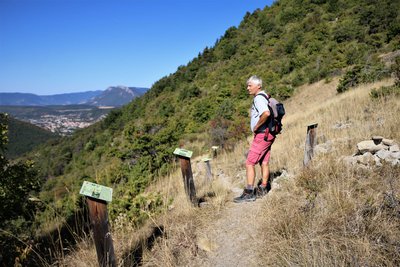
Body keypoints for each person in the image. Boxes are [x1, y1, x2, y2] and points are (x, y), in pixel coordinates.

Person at [234, 75, 275, 203]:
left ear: (258, 86)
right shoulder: (265, 96)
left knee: (249, 163)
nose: (247, 88)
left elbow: (266, 113)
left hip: (262, 135)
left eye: (250, 85)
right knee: (264, 161)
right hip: (269, 134)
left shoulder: (258, 98)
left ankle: (249, 193)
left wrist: (257, 126)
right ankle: (263, 188)